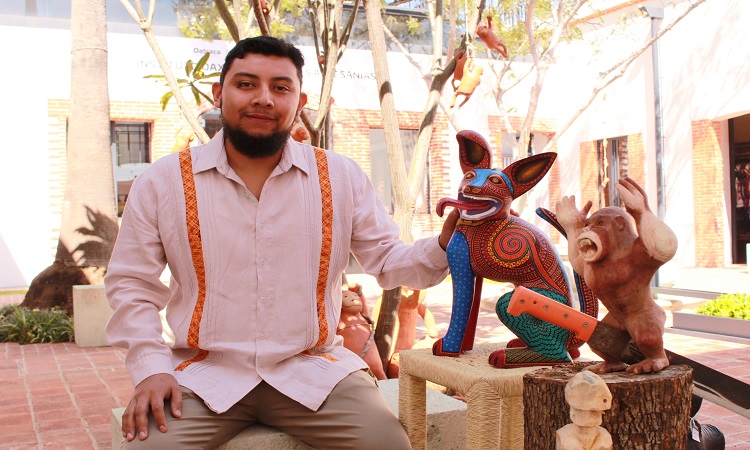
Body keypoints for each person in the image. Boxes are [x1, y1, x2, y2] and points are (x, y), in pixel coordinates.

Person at [105, 35, 458, 449]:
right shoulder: (163, 182)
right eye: (246, 84)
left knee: (387, 445)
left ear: (299, 102)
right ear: (218, 93)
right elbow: (132, 285)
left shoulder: (340, 177)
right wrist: (151, 368)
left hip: (315, 372)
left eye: (280, 87)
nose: (263, 98)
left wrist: (445, 243)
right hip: (202, 376)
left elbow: (388, 259)